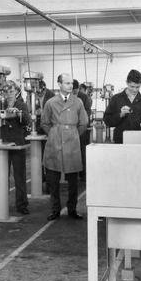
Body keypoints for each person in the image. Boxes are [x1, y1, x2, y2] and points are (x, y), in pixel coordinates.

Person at [42, 73, 89, 221]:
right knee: (53, 179)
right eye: (67, 83)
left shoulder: (78, 102)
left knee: (73, 181)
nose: (70, 86)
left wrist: (73, 134)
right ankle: (55, 209)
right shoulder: (50, 102)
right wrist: (55, 134)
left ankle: (72, 209)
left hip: (72, 143)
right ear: (59, 84)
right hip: (54, 143)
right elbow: (44, 122)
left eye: (71, 83)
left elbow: (83, 123)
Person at [0, 80, 30, 214]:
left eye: (11, 91)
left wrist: (18, 113)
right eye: (6, 91)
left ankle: (22, 205)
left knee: (19, 176)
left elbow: (27, 121)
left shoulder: (22, 105)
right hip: (3, 143)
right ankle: (0, 203)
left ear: (17, 92)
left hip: (17, 144)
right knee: (1, 176)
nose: (9, 94)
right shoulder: (1, 104)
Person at [103, 69, 141, 143]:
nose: (134, 90)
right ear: (127, 83)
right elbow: (107, 121)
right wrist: (120, 115)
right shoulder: (116, 99)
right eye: (132, 86)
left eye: (137, 87)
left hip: (139, 141)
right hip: (120, 141)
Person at [73, 79, 93, 181]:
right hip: (71, 129)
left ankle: (84, 174)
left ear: (78, 89)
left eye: (75, 91)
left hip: (82, 129)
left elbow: (87, 112)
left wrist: (80, 120)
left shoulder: (84, 97)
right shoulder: (67, 97)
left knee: (82, 151)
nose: (73, 93)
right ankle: (72, 174)